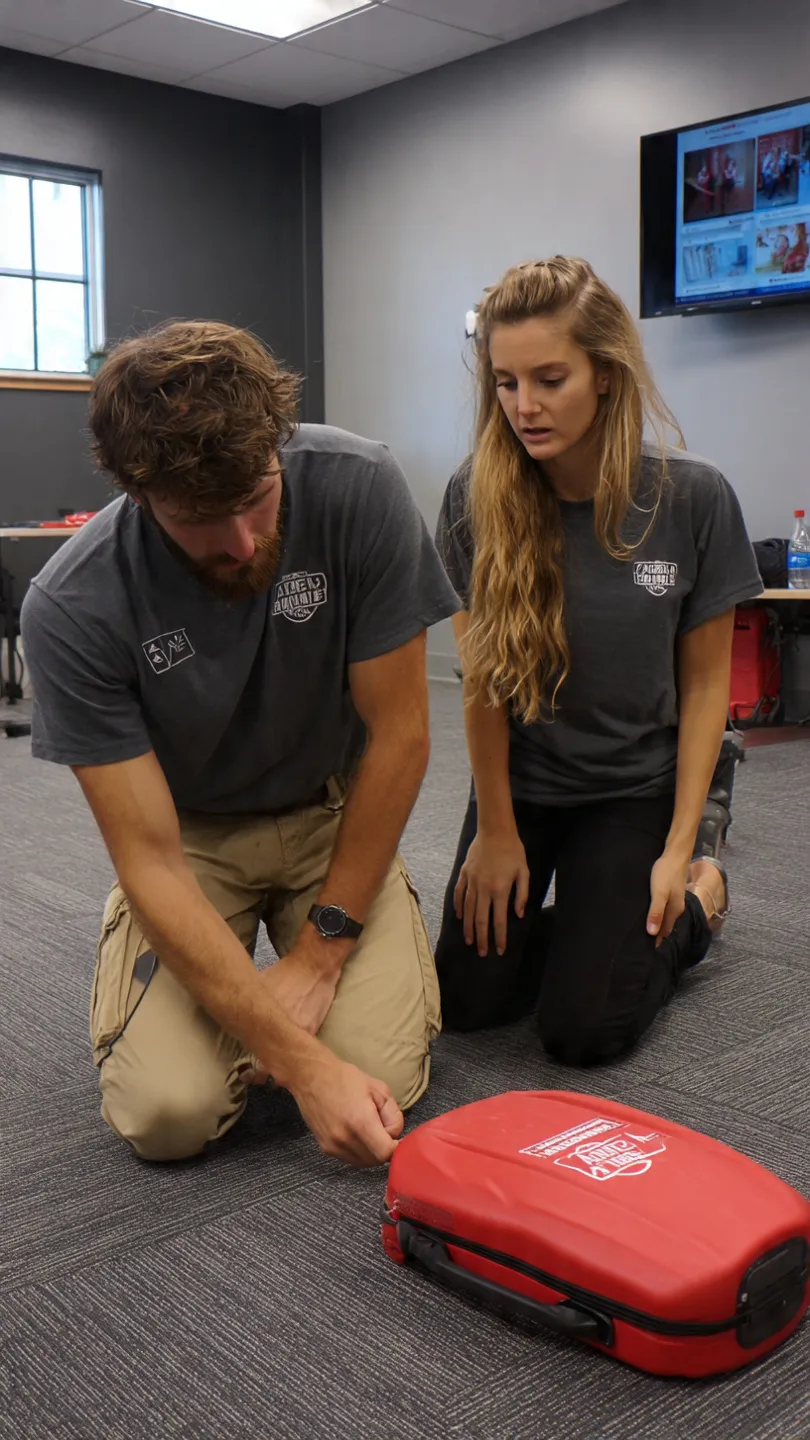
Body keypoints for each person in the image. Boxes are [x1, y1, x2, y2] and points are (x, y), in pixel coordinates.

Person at [21, 321, 460, 1166]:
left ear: (277, 444)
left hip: (330, 815)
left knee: (382, 1077)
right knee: (168, 1116)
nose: (243, 542)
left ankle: (286, 992)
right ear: (139, 494)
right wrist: (302, 1065)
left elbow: (400, 737)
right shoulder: (74, 604)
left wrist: (320, 957)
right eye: (199, 519)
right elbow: (149, 859)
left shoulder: (360, 486)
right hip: (189, 843)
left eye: (258, 495)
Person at [434, 257, 762, 1065]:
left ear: (606, 375)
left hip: (633, 787)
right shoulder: (476, 495)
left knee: (583, 1032)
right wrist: (494, 830)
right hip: (525, 785)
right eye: (506, 382)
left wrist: (678, 849)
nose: (525, 406)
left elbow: (705, 686)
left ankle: (699, 905)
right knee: (467, 1002)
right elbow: (482, 682)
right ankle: (594, 929)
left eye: (550, 379)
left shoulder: (693, 498)